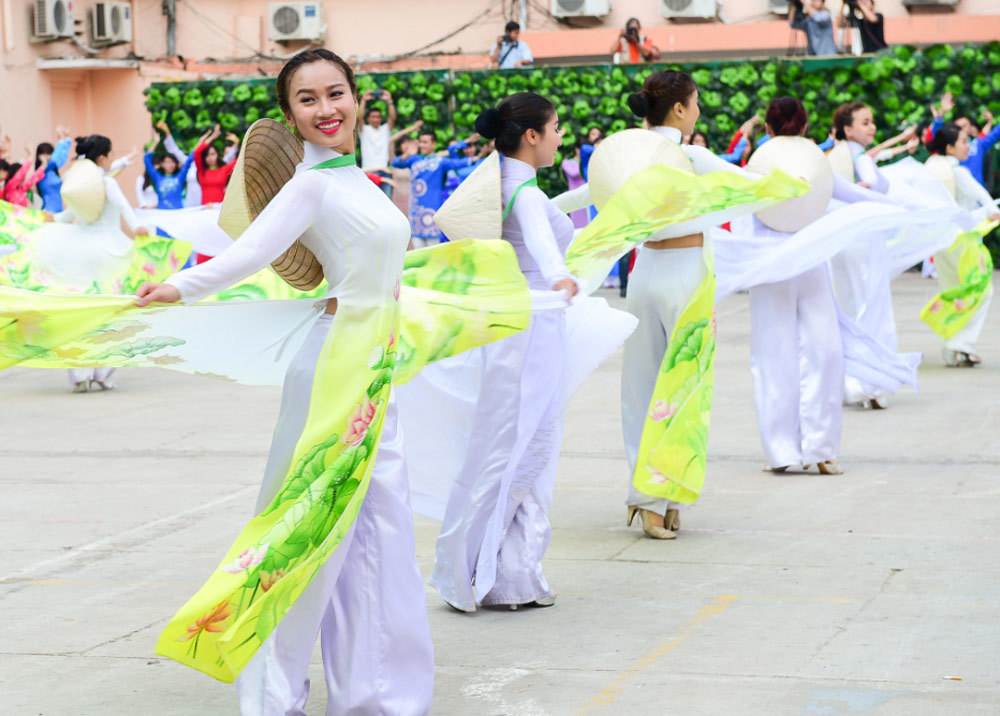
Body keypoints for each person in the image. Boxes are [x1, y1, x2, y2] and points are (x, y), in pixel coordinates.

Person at [133, 48, 435, 714]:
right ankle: (272, 695)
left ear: (358, 97)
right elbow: (248, 253)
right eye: (307, 100)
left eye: (336, 93)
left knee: (378, 534)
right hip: (334, 373)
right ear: (290, 115)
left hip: (373, 369)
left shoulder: (360, 180)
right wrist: (178, 288)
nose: (326, 109)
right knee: (304, 534)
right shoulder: (311, 185)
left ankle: (378, 696)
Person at [428, 92, 579, 612]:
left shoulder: (502, 188)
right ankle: (504, 576)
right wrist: (560, 277)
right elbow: (542, 240)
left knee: (503, 447)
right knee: (532, 452)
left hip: (511, 327)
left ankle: (480, 569)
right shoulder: (528, 195)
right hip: (536, 325)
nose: (561, 136)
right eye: (556, 127)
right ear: (531, 136)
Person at [30, 134, 149, 390]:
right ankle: (103, 372)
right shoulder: (106, 182)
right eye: (112, 154)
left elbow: (66, 216)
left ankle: (80, 375)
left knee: (82, 312)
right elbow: (126, 210)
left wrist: (44, 220)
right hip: (109, 253)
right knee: (113, 313)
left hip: (81, 253)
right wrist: (139, 228)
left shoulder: (83, 182)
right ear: (103, 158)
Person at [926, 124, 1000, 367]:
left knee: (953, 292)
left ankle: (953, 348)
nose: (969, 146)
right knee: (981, 291)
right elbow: (986, 202)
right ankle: (962, 345)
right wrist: (991, 212)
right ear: (950, 147)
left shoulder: (935, 171)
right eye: (964, 142)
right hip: (964, 242)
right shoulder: (959, 172)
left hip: (943, 239)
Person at [392, 130, 475, 247]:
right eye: (420, 142)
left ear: (434, 144)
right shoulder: (414, 159)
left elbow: (458, 163)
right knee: (417, 251)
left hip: (433, 212)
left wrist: (479, 157)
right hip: (416, 213)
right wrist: (408, 153)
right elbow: (396, 163)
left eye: (425, 142)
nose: (422, 145)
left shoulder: (440, 161)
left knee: (433, 251)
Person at [358, 89, 421, 198]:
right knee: (369, 203)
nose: (376, 119)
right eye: (373, 117)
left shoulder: (385, 129)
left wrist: (389, 101)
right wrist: (363, 100)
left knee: (387, 204)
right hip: (369, 172)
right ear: (368, 118)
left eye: (378, 117)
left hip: (386, 172)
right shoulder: (364, 130)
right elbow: (359, 118)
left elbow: (393, 118)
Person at [144, 128, 195, 210]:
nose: (171, 165)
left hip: (178, 214)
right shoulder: (157, 177)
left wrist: (201, 144)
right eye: (168, 162)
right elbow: (147, 159)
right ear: (162, 164)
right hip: (162, 215)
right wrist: (156, 142)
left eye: (173, 162)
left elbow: (189, 160)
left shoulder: (180, 176)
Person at [192, 124, 240, 206]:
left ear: (218, 155)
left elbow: (240, 159)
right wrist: (212, 137)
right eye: (207, 155)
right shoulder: (201, 170)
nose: (210, 158)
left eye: (213, 154)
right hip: (204, 211)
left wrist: (237, 143)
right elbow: (197, 153)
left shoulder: (224, 169)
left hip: (219, 210)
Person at [35, 127, 73, 211]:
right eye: (43, 153)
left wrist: (66, 139)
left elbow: (61, 157)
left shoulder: (52, 170)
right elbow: (56, 158)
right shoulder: (42, 171)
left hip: (58, 209)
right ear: (38, 156)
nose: (46, 156)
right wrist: (61, 138)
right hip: (48, 210)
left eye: (49, 153)